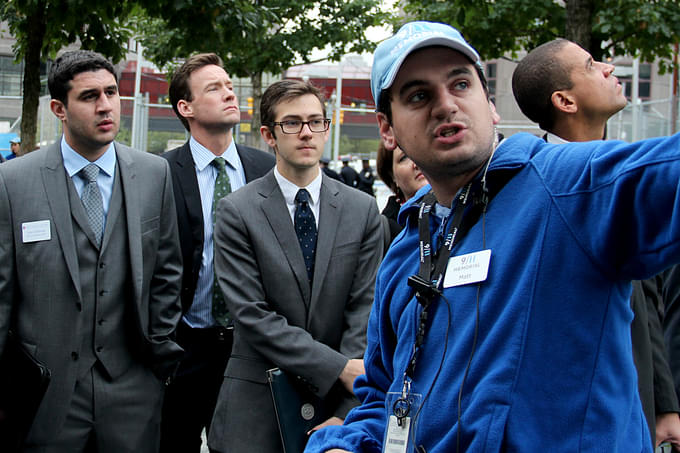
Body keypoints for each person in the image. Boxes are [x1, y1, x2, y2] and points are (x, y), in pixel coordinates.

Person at [305, 21, 680, 453]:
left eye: (460, 84)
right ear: (387, 131)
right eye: (419, 96)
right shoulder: (407, 246)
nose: (446, 106)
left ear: (490, 104)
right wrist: (342, 446)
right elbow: (385, 397)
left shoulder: (567, 186)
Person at [0, 49, 183, 452]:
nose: (105, 106)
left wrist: (158, 351)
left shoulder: (154, 174)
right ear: (58, 108)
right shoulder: (13, 182)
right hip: (45, 391)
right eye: (89, 97)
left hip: (133, 385)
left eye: (111, 93)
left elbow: (168, 271)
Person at [512, 38, 680, 449]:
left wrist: (664, 404)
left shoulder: (625, 180)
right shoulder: (529, 196)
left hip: (632, 407)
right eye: (591, 65)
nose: (609, 67)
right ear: (564, 101)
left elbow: (647, 306)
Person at [207, 79, 383, 453]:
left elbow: (365, 309)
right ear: (269, 135)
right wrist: (339, 367)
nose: (306, 133)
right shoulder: (237, 210)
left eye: (315, 121)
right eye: (292, 123)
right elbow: (252, 315)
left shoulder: (362, 209)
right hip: (255, 409)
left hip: (339, 403)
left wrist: (349, 403)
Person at [160, 53, 275, 453]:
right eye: (215, 88)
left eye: (229, 85)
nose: (230, 93)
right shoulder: (160, 174)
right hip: (185, 346)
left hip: (251, 347)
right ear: (185, 108)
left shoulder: (266, 168)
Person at [376, 142, 427, 243]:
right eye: (404, 158)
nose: (416, 163)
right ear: (392, 175)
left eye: (422, 151)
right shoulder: (384, 232)